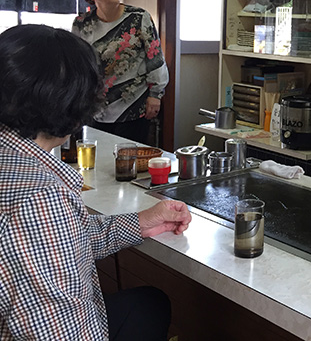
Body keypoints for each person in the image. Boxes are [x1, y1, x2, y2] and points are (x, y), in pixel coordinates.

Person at [0, 24, 192, 340]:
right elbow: (60, 332)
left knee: (148, 305)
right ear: (75, 108)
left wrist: (142, 221)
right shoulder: (38, 199)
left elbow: (64, 238)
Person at [72, 0, 169, 145]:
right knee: (99, 161)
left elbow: (155, 58)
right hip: (96, 107)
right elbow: (78, 65)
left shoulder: (139, 18)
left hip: (133, 104)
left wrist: (156, 95)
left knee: (128, 163)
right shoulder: (81, 24)